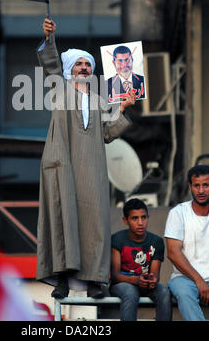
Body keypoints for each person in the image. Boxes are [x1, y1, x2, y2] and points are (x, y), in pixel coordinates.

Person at [36, 17, 136, 299]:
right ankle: (63, 278)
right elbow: (51, 64)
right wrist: (50, 38)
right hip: (63, 162)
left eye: (88, 64)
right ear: (70, 69)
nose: (84, 68)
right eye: (79, 64)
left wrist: (124, 109)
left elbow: (107, 132)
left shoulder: (99, 99)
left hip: (91, 165)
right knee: (63, 217)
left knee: (94, 219)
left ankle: (94, 279)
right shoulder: (59, 88)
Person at [164, 164, 209, 321]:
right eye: (196, 185)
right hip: (184, 278)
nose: (201, 191)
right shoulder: (178, 213)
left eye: (206, 185)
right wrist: (199, 281)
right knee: (184, 294)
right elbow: (173, 253)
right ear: (190, 187)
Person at [110, 198, 172, 321]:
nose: (140, 223)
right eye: (135, 218)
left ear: (148, 217)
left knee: (164, 291)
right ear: (125, 220)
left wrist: (152, 279)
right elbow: (115, 275)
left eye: (143, 217)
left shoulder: (156, 241)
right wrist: (136, 280)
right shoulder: (117, 239)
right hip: (122, 284)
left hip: (144, 284)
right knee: (130, 292)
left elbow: (155, 273)